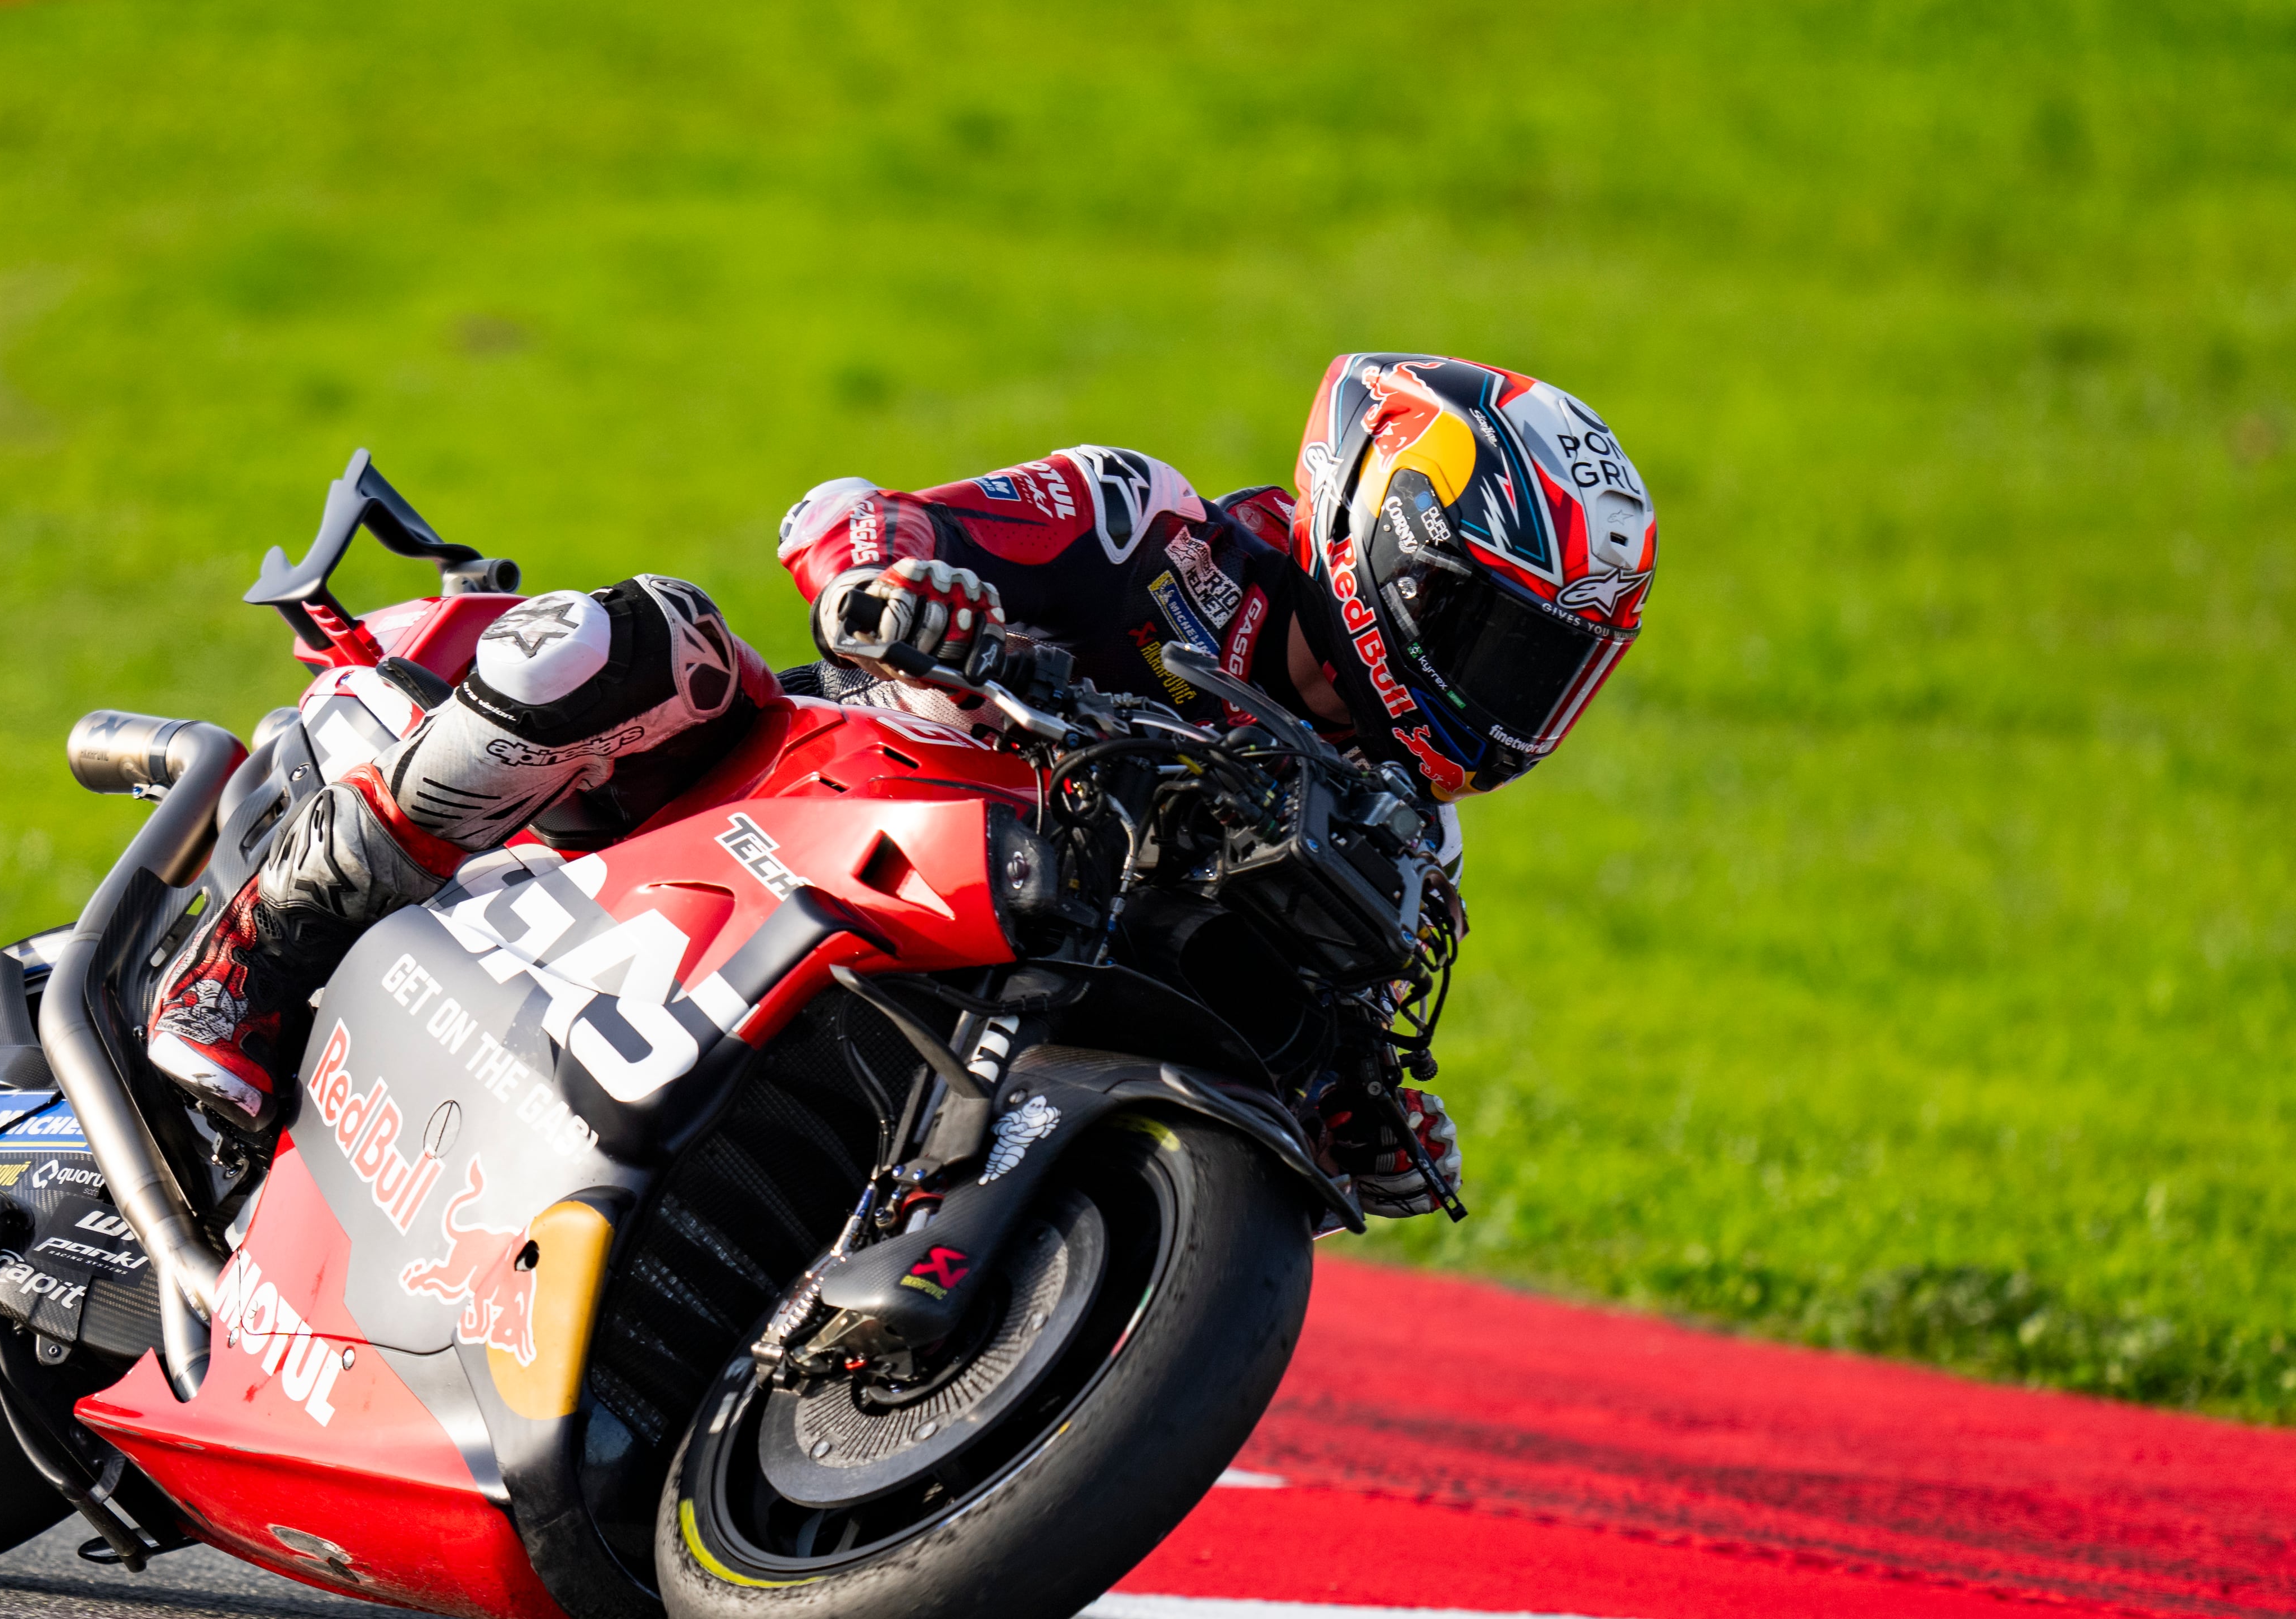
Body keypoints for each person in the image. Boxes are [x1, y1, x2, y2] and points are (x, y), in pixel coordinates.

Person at [148, 353, 1656, 1216]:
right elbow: (848, 517)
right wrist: (896, 591)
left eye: (1551, 670)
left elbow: (1291, 1036)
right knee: (639, 638)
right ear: (1392, 543)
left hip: (965, 999)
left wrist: (1354, 1116)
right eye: (1496, 636)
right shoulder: (1157, 532)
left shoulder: (1399, 837)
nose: (1509, 699)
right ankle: (246, 968)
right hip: (784, 807)